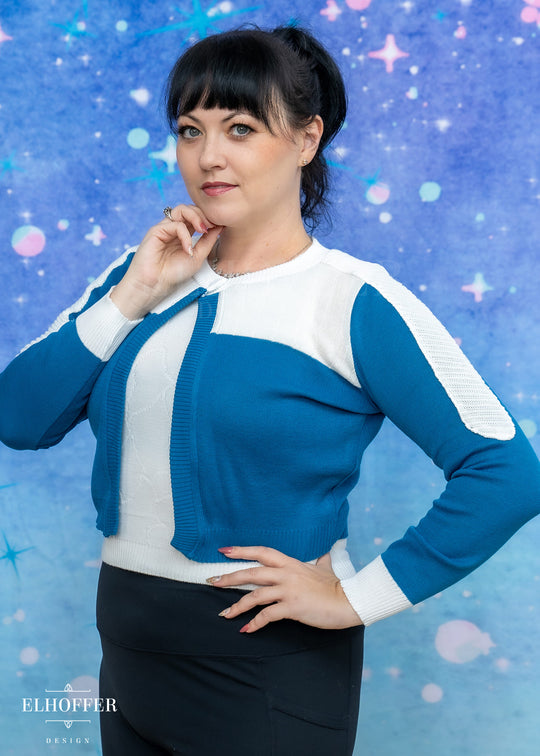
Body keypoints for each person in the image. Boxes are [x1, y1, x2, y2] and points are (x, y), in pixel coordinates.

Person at [0, 24, 539, 756]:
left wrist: (355, 598)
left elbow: (506, 473)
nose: (208, 157)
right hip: (128, 657)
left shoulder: (351, 299)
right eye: (189, 130)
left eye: (241, 129)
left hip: (267, 673)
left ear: (307, 139)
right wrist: (130, 297)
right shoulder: (140, 274)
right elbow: (19, 417)